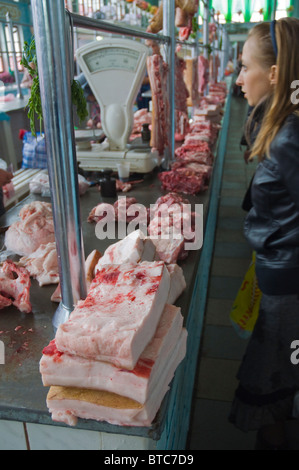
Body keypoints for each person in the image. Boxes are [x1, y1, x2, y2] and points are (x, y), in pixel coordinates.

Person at [228, 17, 299, 450]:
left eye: (244, 67)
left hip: (289, 287)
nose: (238, 79)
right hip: (279, 275)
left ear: (273, 74)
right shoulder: (280, 124)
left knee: (272, 387)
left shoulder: (290, 137)